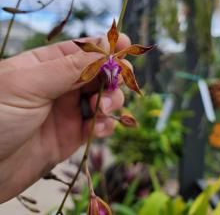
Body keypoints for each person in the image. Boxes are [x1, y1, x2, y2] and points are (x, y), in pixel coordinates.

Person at [0, 33, 130, 203]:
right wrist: (77, 68)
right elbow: (81, 75)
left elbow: (126, 78)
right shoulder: (95, 58)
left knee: (107, 100)